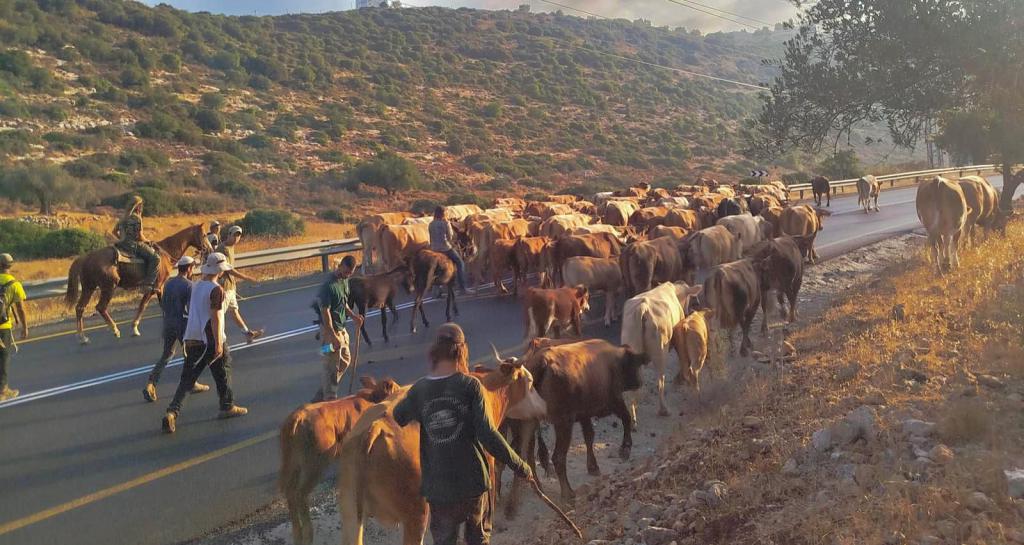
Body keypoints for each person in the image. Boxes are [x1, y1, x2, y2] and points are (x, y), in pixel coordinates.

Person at [393, 323, 532, 545]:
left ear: (435, 352)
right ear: (462, 350)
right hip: (473, 485)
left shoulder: (420, 389)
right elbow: (488, 434)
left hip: (439, 490)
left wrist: (425, 407)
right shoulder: (470, 386)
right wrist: (520, 466)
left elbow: (398, 416)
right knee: (478, 540)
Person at [162, 252, 247, 434]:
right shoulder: (217, 290)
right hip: (208, 339)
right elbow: (216, 317)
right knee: (223, 370)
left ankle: (172, 412)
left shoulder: (196, 285)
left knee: (191, 378)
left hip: (191, 337)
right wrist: (217, 343)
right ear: (220, 271)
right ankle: (226, 406)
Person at [143, 256, 209, 402]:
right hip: (182, 325)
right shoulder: (189, 285)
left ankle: (151, 383)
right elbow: (192, 309)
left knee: (166, 355)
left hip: (167, 323)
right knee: (190, 355)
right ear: (190, 268)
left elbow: (163, 304)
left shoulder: (168, 283)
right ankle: (191, 384)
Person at [312, 255, 364, 402]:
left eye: (350, 274)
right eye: (346, 272)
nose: (347, 275)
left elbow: (343, 303)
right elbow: (325, 313)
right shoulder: (328, 286)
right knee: (332, 368)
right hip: (330, 331)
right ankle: (329, 398)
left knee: (346, 359)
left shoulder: (344, 281)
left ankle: (324, 386)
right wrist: (333, 335)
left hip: (341, 329)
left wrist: (354, 317)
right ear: (340, 266)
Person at [216, 225, 264, 343]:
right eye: (234, 235)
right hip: (224, 288)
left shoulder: (231, 248)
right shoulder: (223, 249)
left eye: (239, 236)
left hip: (231, 287)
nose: (237, 238)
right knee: (219, 315)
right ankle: (219, 342)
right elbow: (228, 269)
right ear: (229, 235)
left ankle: (248, 334)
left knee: (234, 311)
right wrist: (248, 278)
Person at [112, 195, 160, 293]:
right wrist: (148, 241)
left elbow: (114, 232)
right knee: (156, 258)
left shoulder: (123, 218)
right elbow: (140, 236)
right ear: (138, 206)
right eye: (141, 206)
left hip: (121, 244)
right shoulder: (137, 218)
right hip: (133, 245)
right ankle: (148, 284)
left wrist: (122, 239)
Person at [0, 253, 28, 402]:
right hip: (3, 327)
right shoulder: (15, 285)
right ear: (10, 266)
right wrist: (25, 327)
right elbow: (21, 309)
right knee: (3, 359)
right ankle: (3, 391)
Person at [429, 206, 472, 295]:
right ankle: (463, 288)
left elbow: (431, 237)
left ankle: (436, 291)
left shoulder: (431, 224)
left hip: (434, 249)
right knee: (460, 263)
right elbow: (450, 237)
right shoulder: (446, 223)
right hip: (445, 248)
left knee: (435, 269)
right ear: (443, 213)